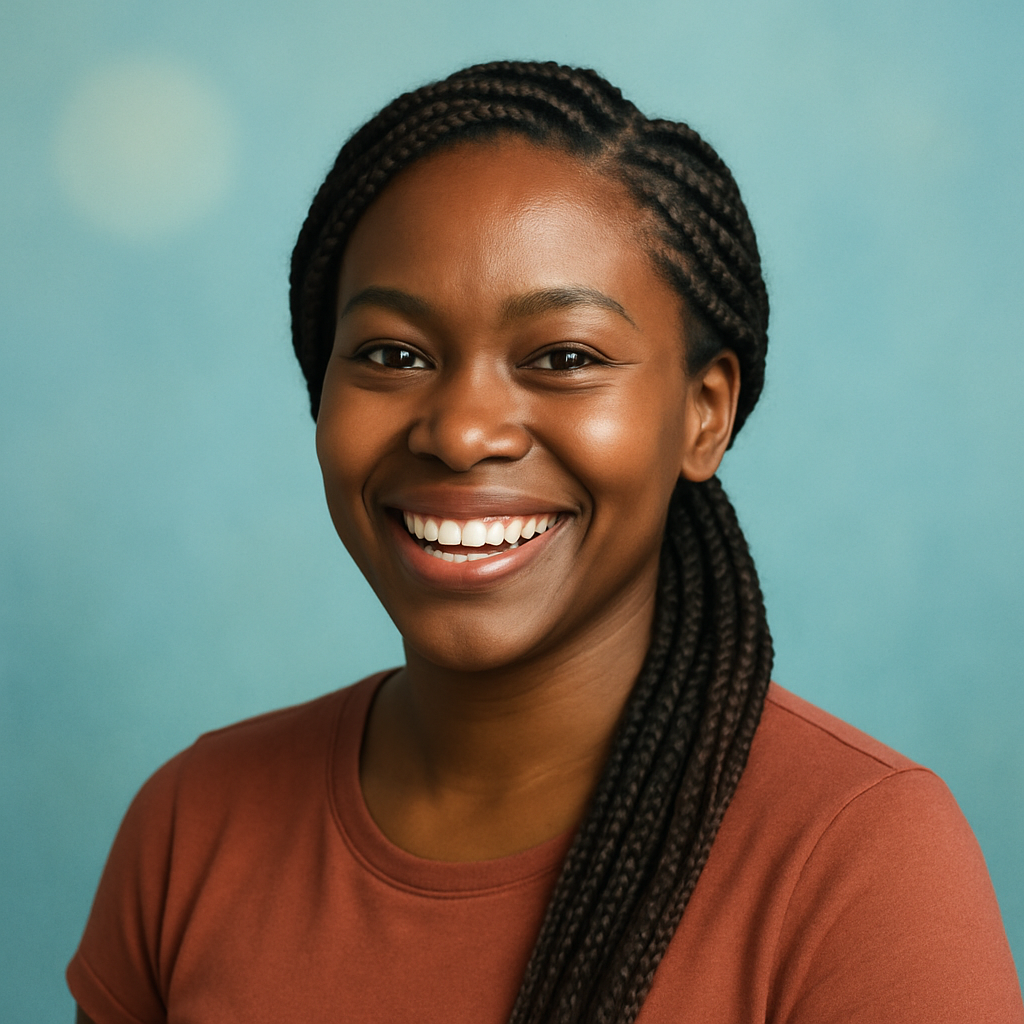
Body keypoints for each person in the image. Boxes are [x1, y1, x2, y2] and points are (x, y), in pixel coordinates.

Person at [68, 60, 1022, 1024]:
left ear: (704, 415)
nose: (462, 429)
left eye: (564, 358)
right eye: (393, 355)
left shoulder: (860, 859)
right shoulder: (193, 826)